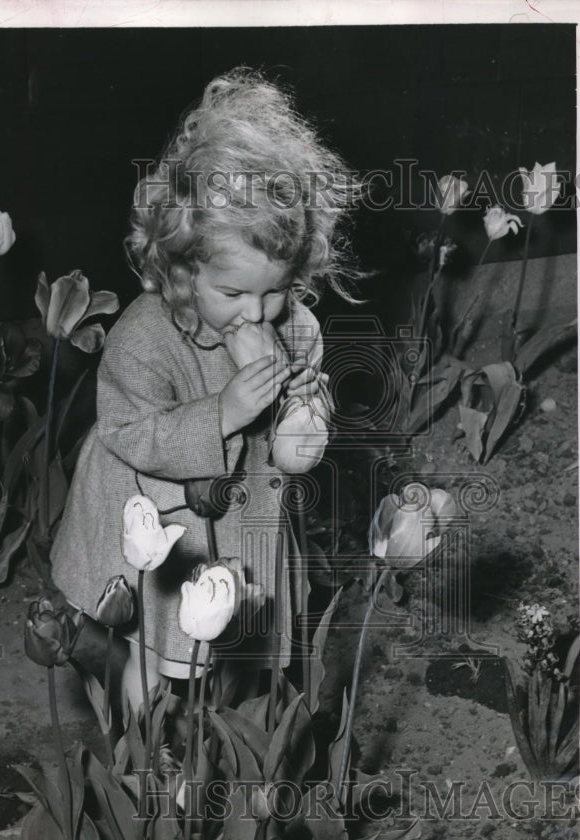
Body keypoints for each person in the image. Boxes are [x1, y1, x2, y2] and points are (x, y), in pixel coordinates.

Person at [50, 67, 360, 714]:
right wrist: (224, 411)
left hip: (245, 523)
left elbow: (302, 416)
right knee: (155, 649)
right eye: (233, 294)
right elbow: (127, 430)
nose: (257, 312)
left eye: (275, 289)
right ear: (184, 265)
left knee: (243, 636)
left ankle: (227, 738)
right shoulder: (147, 333)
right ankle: (136, 729)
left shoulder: (293, 326)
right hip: (153, 514)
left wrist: (305, 413)